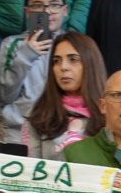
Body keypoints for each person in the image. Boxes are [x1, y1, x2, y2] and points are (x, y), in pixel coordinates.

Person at [18, 28, 103, 165]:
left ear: (90, 64)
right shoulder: (39, 114)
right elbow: (30, 171)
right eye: (57, 61)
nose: (63, 67)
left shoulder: (108, 114)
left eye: (73, 59)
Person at [0, 0, 67, 128]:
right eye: (38, 5)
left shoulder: (74, 45)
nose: (47, 12)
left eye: (54, 5)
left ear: (64, 10)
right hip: (18, 130)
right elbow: (4, 96)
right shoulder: (12, 44)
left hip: (61, 130)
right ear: (27, 12)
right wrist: (25, 55)